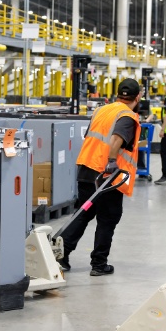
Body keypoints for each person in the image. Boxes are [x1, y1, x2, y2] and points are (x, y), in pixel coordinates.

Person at [59, 78, 142, 276]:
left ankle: (61, 255)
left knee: (83, 213)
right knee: (108, 218)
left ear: (118, 95)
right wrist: (112, 160)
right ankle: (99, 263)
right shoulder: (127, 116)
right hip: (107, 173)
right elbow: (116, 139)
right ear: (137, 97)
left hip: (87, 167)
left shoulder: (102, 110)